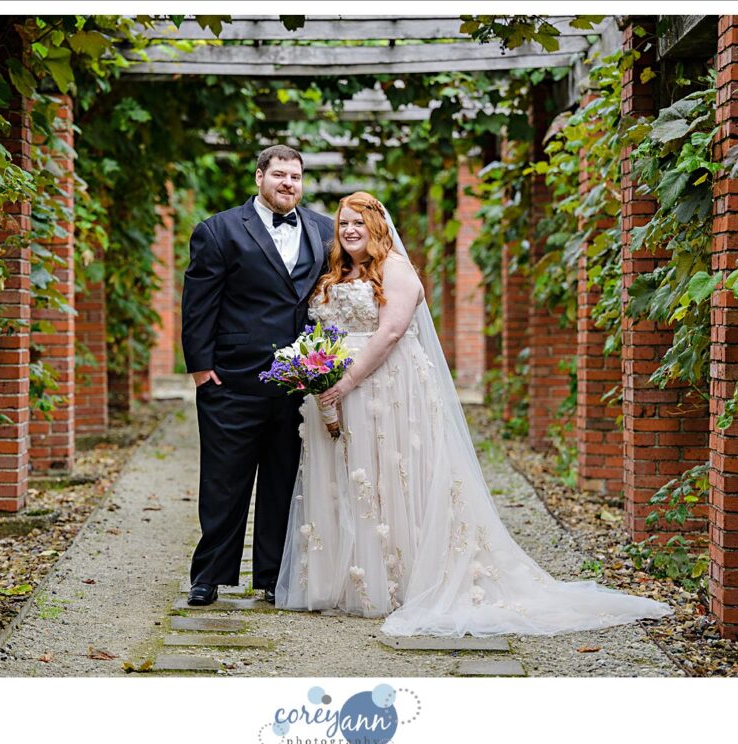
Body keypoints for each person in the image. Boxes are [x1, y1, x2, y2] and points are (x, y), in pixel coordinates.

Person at [274, 191, 674, 636]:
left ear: (377, 226)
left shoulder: (397, 270)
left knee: (391, 476)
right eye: (344, 223)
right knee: (350, 478)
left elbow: (388, 335)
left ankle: (402, 582)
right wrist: (316, 373)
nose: (350, 230)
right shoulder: (336, 272)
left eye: (359, 223)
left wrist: (344, 382)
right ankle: (353, 581)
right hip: (333, 388)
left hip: (386, 386)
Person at [181, 145, 334, 606]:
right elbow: (199, 302)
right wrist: (201, 369)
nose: (288, 183)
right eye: (280, 175)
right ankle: (209, 576)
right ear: (259, 177)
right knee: (224, 480)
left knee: (283, 481)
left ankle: (272, 576)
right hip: (232, 380)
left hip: (297, 382)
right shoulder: (219, 230)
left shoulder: (324, 230)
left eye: (296, 177)